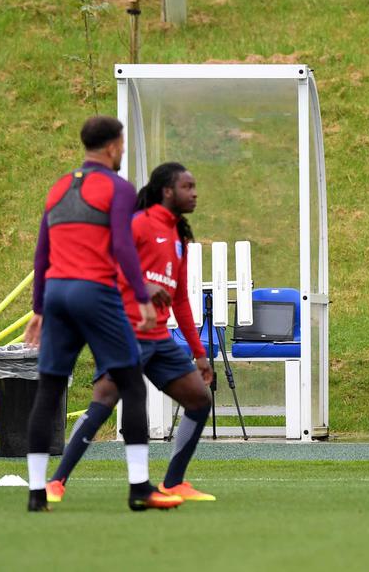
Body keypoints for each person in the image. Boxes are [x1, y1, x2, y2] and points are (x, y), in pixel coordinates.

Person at [23, 116, 173, 512]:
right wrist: (141, 296)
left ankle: (37, 494)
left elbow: (43, 251)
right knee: (132, 385)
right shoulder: (118, 188)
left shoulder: (58, 187)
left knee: (50, 389)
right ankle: (139, 488)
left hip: (56, 293)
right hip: (95, 293)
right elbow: (123, 246)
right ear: (111, 147)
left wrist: (38, 308)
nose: (122, 151)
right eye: (122, 145)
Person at [45, 162, 215, 505]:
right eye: (188, 186)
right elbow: (108, 267)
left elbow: (179, 298)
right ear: (167, 191)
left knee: (199, 399)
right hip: (124, 330)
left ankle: (173, 483)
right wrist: (144, 285)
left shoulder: (180, 236)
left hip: (159, 339)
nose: (195, 193)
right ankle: (55, 482)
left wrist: (198, 353)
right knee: (104, 401)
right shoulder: (138, 224)